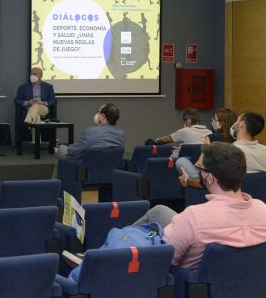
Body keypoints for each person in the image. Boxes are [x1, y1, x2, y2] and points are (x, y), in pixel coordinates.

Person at [135, 142, 266, 269]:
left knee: (152, 227)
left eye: (200, 168)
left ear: (209, 178)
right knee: (159, 211)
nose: (198, 172)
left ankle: (121, 251)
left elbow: (161, 261)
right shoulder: (262, 208)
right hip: (252, 285)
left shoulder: (193, 217)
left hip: (188, 284)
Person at [55, 103, 124, 177]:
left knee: (61, 149)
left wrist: (66, 146)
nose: (97, 115)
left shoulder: (91, 131)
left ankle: (56, 185)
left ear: (103, 116)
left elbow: (74, 151)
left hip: (85, 171)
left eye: (98, 112)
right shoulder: (120, 133)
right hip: (109, 173)